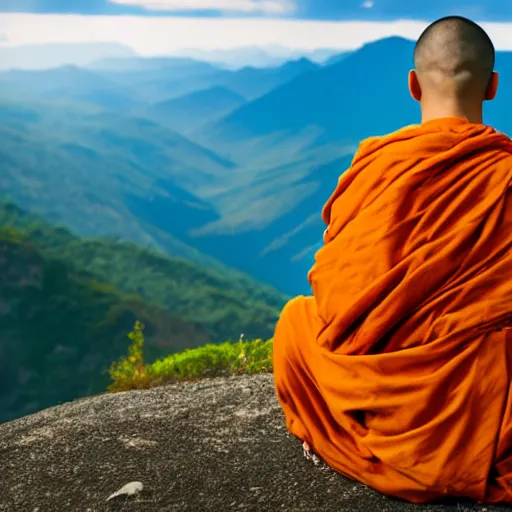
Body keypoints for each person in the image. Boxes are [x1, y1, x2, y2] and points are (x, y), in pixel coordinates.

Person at [273, 15, 512, 504]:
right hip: (484, 395)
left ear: (413, 85)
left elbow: (337, 294)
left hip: (369, 390)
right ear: (492, 85)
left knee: (297, 323)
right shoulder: (503, 174)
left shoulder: (379, 166)